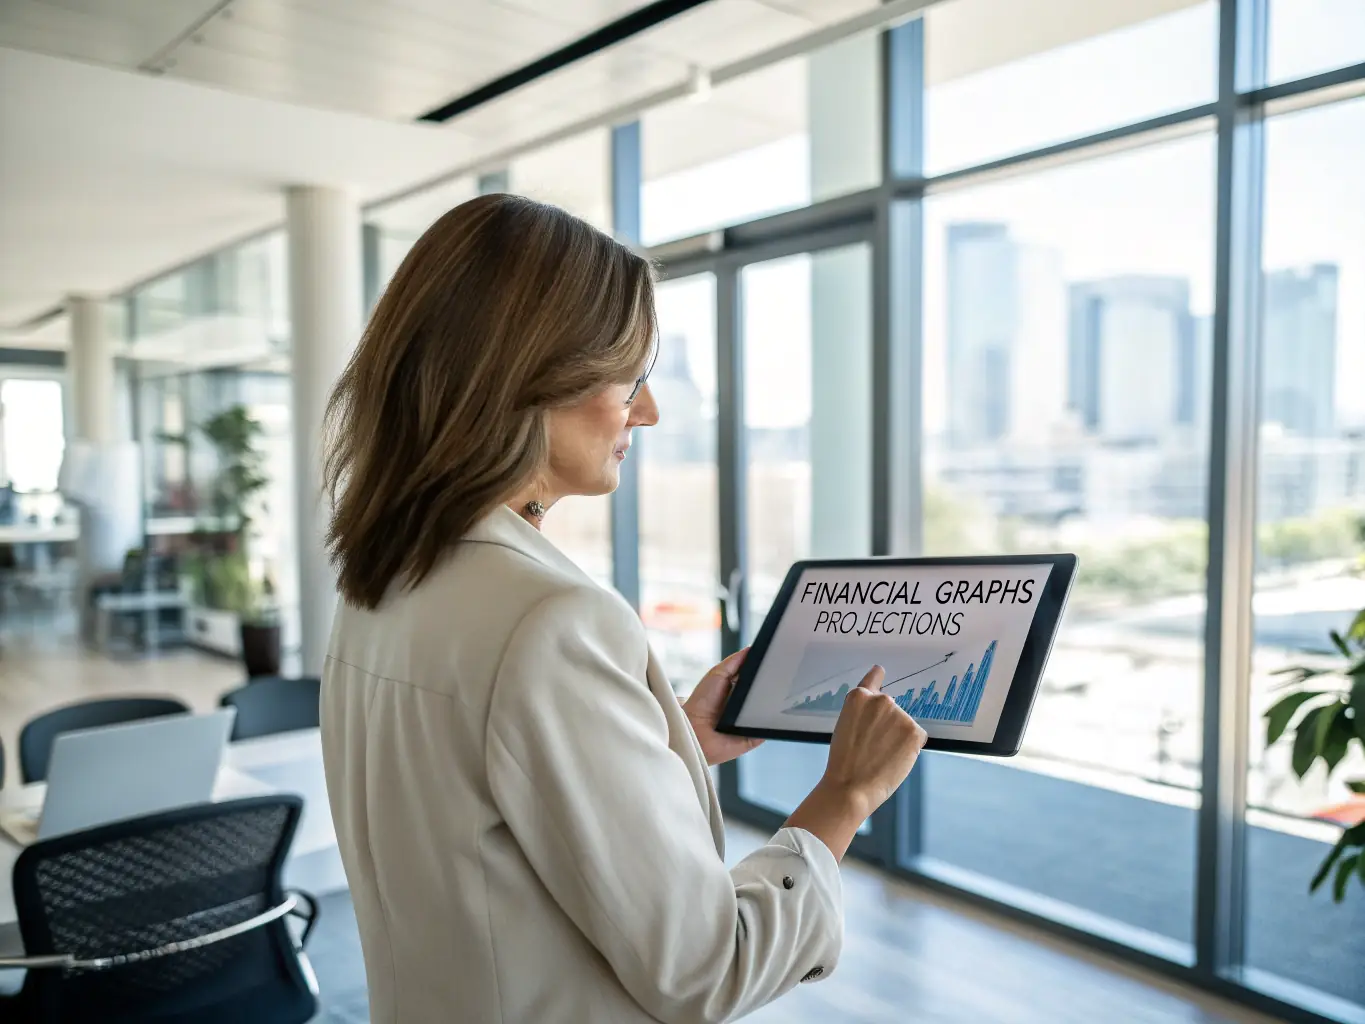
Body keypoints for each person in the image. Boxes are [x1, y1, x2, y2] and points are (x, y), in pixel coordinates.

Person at [319, 193, 929, 1024]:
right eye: (629, 378)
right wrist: (846, 796)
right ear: (530, 377)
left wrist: (666, 739)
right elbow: (706, 967)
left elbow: (478, 816)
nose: (646, 409)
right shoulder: (549, 620)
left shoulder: (382, 577)